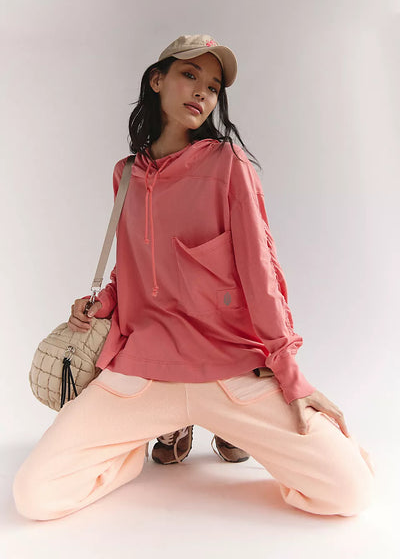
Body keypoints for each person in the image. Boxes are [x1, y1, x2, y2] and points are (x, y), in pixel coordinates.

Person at [13, 33, 376, 521]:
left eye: (213, 86)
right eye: (190, 75)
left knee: (350, 492)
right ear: (156, 80)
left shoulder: (228, 165)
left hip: (228, 367)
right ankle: (135, 444)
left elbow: (261, 273)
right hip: (144, 369)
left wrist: (292, 377)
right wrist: (104, 302)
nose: (202, 92)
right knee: (34, 495)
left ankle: (222, 426)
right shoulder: (126, 174)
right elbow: (134, 266)